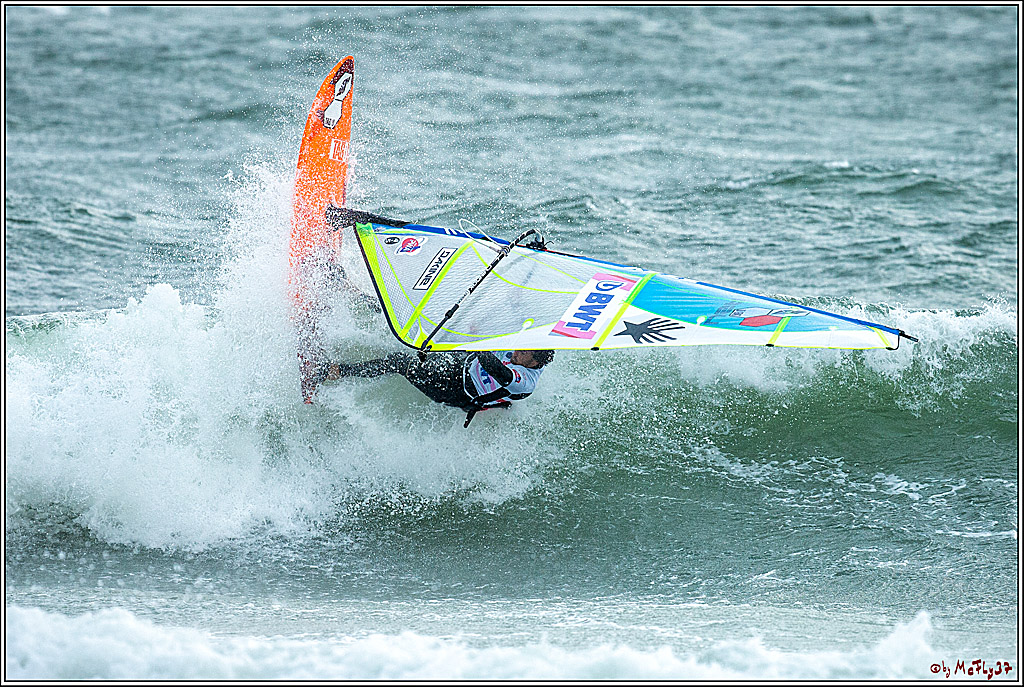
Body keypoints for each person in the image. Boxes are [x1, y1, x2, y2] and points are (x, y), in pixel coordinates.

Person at [322, 349, 555, 426]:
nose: (516, 353)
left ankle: (335, 372)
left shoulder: (525, 380)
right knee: (420, 345)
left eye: (523, 354)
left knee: (399, 362)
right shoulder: (527, 350)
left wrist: (480, 340)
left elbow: (497, 370)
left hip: (454, 389)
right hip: (462, 363)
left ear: (534, 363)